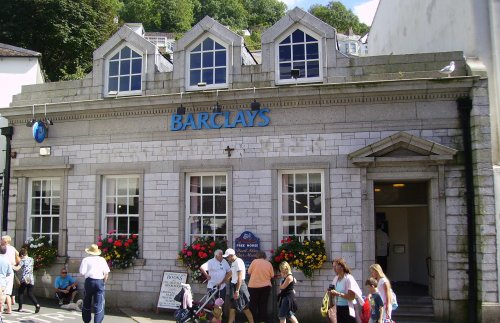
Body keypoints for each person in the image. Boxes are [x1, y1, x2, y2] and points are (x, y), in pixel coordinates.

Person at [79, 244, 110, 323]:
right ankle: (97, 321)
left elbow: (82, 272)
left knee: (87, 301)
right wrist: (103, 283)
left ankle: (86, 320)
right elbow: (106, 274)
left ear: (89, 252)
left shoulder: (86, 259)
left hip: (89, 281)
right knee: (99, 303)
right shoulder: (102, 259)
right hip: (99, 281)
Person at [222, 248, 254, 323]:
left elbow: (240, 276)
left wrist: (237, 290)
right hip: (234, 286)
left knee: (245, 308)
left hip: (239, 286)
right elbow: (230, 274)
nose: (227, 259)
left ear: (231, 256)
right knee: (232, 308)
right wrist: (222, 282)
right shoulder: (233, 262)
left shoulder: (238, 262)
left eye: (227, 257)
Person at [329, 258, 363, 323]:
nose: (334, 269)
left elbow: (351, 297)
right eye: (333, 267)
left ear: (341, 267)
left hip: (348, 309)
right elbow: (333, 294)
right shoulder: (336, 278)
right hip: (339, 308)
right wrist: (330, 292)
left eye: (335, 266)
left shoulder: (349, 278)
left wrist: (337, 294)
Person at [248, 250, 274, 323]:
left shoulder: (254, 262)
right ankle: (262, 320)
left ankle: (252, 320)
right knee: (263, 304)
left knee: (253, 304)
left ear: (257, 256)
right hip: (265, 286)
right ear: (264, 256)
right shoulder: (268, 263)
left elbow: (249, 272)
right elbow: (272, 275)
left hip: (253, 286)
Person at [14, 248, 41, 313]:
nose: (20, 258)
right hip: (31, 278)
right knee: (30, 293)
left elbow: (17, 268)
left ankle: (20, 308)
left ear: (22, 255)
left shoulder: (22, 260)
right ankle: (37, 304)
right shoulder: (31, 259)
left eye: (20, 256)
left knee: (20, 293)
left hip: (25, 278)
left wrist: (11, 266)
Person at [0, 245, 13, 314]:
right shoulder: (7, 260)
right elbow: (9, 272)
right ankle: (1, 309)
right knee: (2, 295)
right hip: (2, 281)